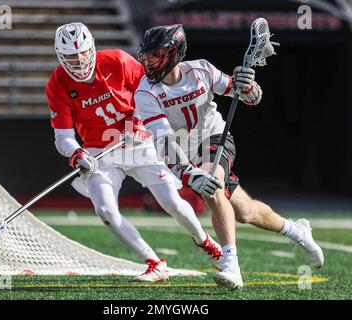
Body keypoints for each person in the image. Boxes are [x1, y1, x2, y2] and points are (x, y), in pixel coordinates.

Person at [134, 24, 324, 289]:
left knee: (213, 187)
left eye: (155, 55)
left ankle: (231, 264)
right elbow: (165, 142)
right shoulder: (145, 93)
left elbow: (249, 96)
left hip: (215, 138)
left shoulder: (201, 70)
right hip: (185, 152)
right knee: (245, 212)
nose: (148, 61)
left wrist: (248, 86)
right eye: (146, 55)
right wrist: (189, 174)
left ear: (174, 53)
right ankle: (297, 231)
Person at [46, 22, 225, 282]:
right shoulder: (57, 84)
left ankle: (207, 243)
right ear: (61, 56)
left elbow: (151, 92)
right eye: (72, 56)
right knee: (105, 211)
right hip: (99, 151)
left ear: (92, 47)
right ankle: (154, 262)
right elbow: (63, 138)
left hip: (138, 140)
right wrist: (77, 154)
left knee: (171, 201)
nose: (80, 60)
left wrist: (139, 121)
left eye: (83, 52)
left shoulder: (118, 60)